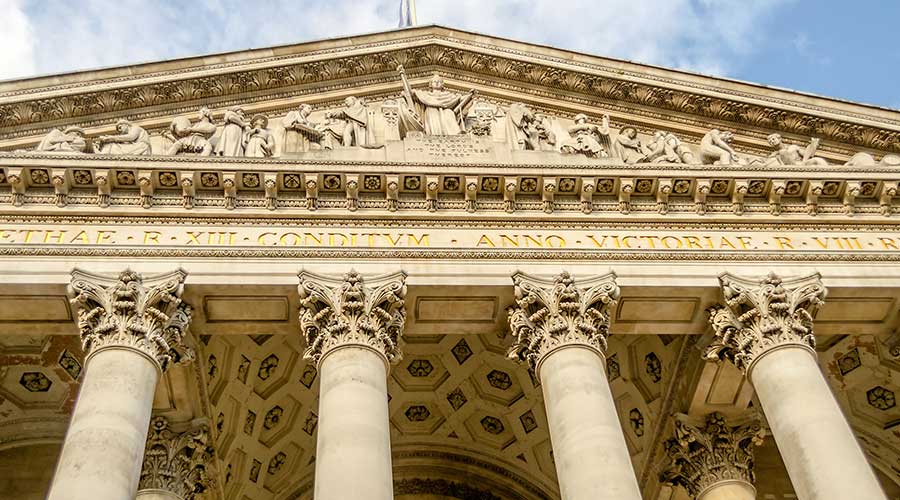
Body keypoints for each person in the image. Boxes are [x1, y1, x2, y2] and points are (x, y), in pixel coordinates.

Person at [397, 65, 476, 136]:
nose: (437, 83)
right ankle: (434, 135)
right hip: (431, 112)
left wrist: (470, 95)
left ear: (442, 84)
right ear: (431, 84)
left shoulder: (448, 95)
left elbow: (460, 99)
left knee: (449, 112)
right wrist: (403, 75)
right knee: (432, 111)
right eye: (435, 82)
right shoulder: (425, 94)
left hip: (446, 112)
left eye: (439, 82)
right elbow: (409, 93)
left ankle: (456, 135)